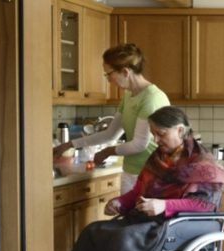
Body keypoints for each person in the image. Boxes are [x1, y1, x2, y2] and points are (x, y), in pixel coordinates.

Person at [56, 106, 224, 251]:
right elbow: (139, 192)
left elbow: (204, 204)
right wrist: (121, 202)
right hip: (148, 219)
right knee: (94, 232)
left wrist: (163, 205)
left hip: (177, 224)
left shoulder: (203, 162)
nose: (156, 139)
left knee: (124, 240)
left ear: (179, 130)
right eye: (153, 133)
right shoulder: (158, 157)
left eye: (161, 134)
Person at [52, 43, 170, 193]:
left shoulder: (152, 99)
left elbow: (140, 144)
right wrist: (69, 144)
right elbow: (110, 134)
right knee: (126, 215)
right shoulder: (129, 96)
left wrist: (108, 152)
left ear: (126, 72)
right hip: (131, 171)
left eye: (109, 74)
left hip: (152, 174)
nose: (108, 79)